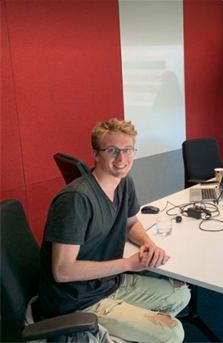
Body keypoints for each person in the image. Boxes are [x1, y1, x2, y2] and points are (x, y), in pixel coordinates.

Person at [37, 118, 190, 343]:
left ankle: (119, 331)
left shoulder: (124, 184)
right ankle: (88, 333)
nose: (122, 159)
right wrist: (129, 264)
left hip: (107, 282)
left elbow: (131, 223)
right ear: (96, 153)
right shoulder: (76, 199)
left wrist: (148, 243)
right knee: (173, 332)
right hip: (76, 300)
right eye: (112, 151)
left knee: (181, 294)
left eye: (128, 150)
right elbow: (63, 271)